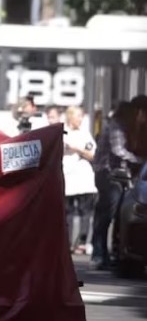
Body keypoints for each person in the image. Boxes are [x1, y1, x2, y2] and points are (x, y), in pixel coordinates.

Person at [91, 101, 144, 270]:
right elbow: (118, 150)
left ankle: (106, 255)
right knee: (106, 214)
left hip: (115, 176)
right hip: (108, 174)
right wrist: (139, 160)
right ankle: (99, 254)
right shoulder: (117, 126)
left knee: (111, 214)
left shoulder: (123, 126)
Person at [63, 106, 97, 255]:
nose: (80, 119)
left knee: (85, 211)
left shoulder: (85, 134)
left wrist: (76, 149)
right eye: (78, 116)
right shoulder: (62, 132)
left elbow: (92, 154)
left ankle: (82, 242)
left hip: (84, 178)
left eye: (81, 116)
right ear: (70, 116)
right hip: (66, 177)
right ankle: (68, 242)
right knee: (67, 211)